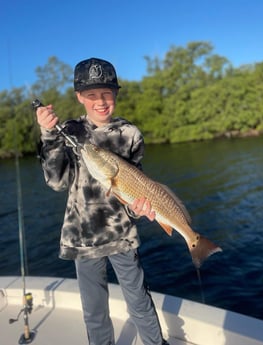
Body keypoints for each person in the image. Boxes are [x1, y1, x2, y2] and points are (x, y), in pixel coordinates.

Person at [35, 57, 169, 345]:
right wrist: (48, 135)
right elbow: (57, 183)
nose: (101, 101)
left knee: (139, 301)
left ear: (116, 94)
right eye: (92, 94)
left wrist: (138, 209)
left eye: (107, 93)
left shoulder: (130, 134)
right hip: (82, 237)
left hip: (121, 233)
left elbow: (137, 184)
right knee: (94, 311)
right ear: (79, 97)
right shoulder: (69, 132)